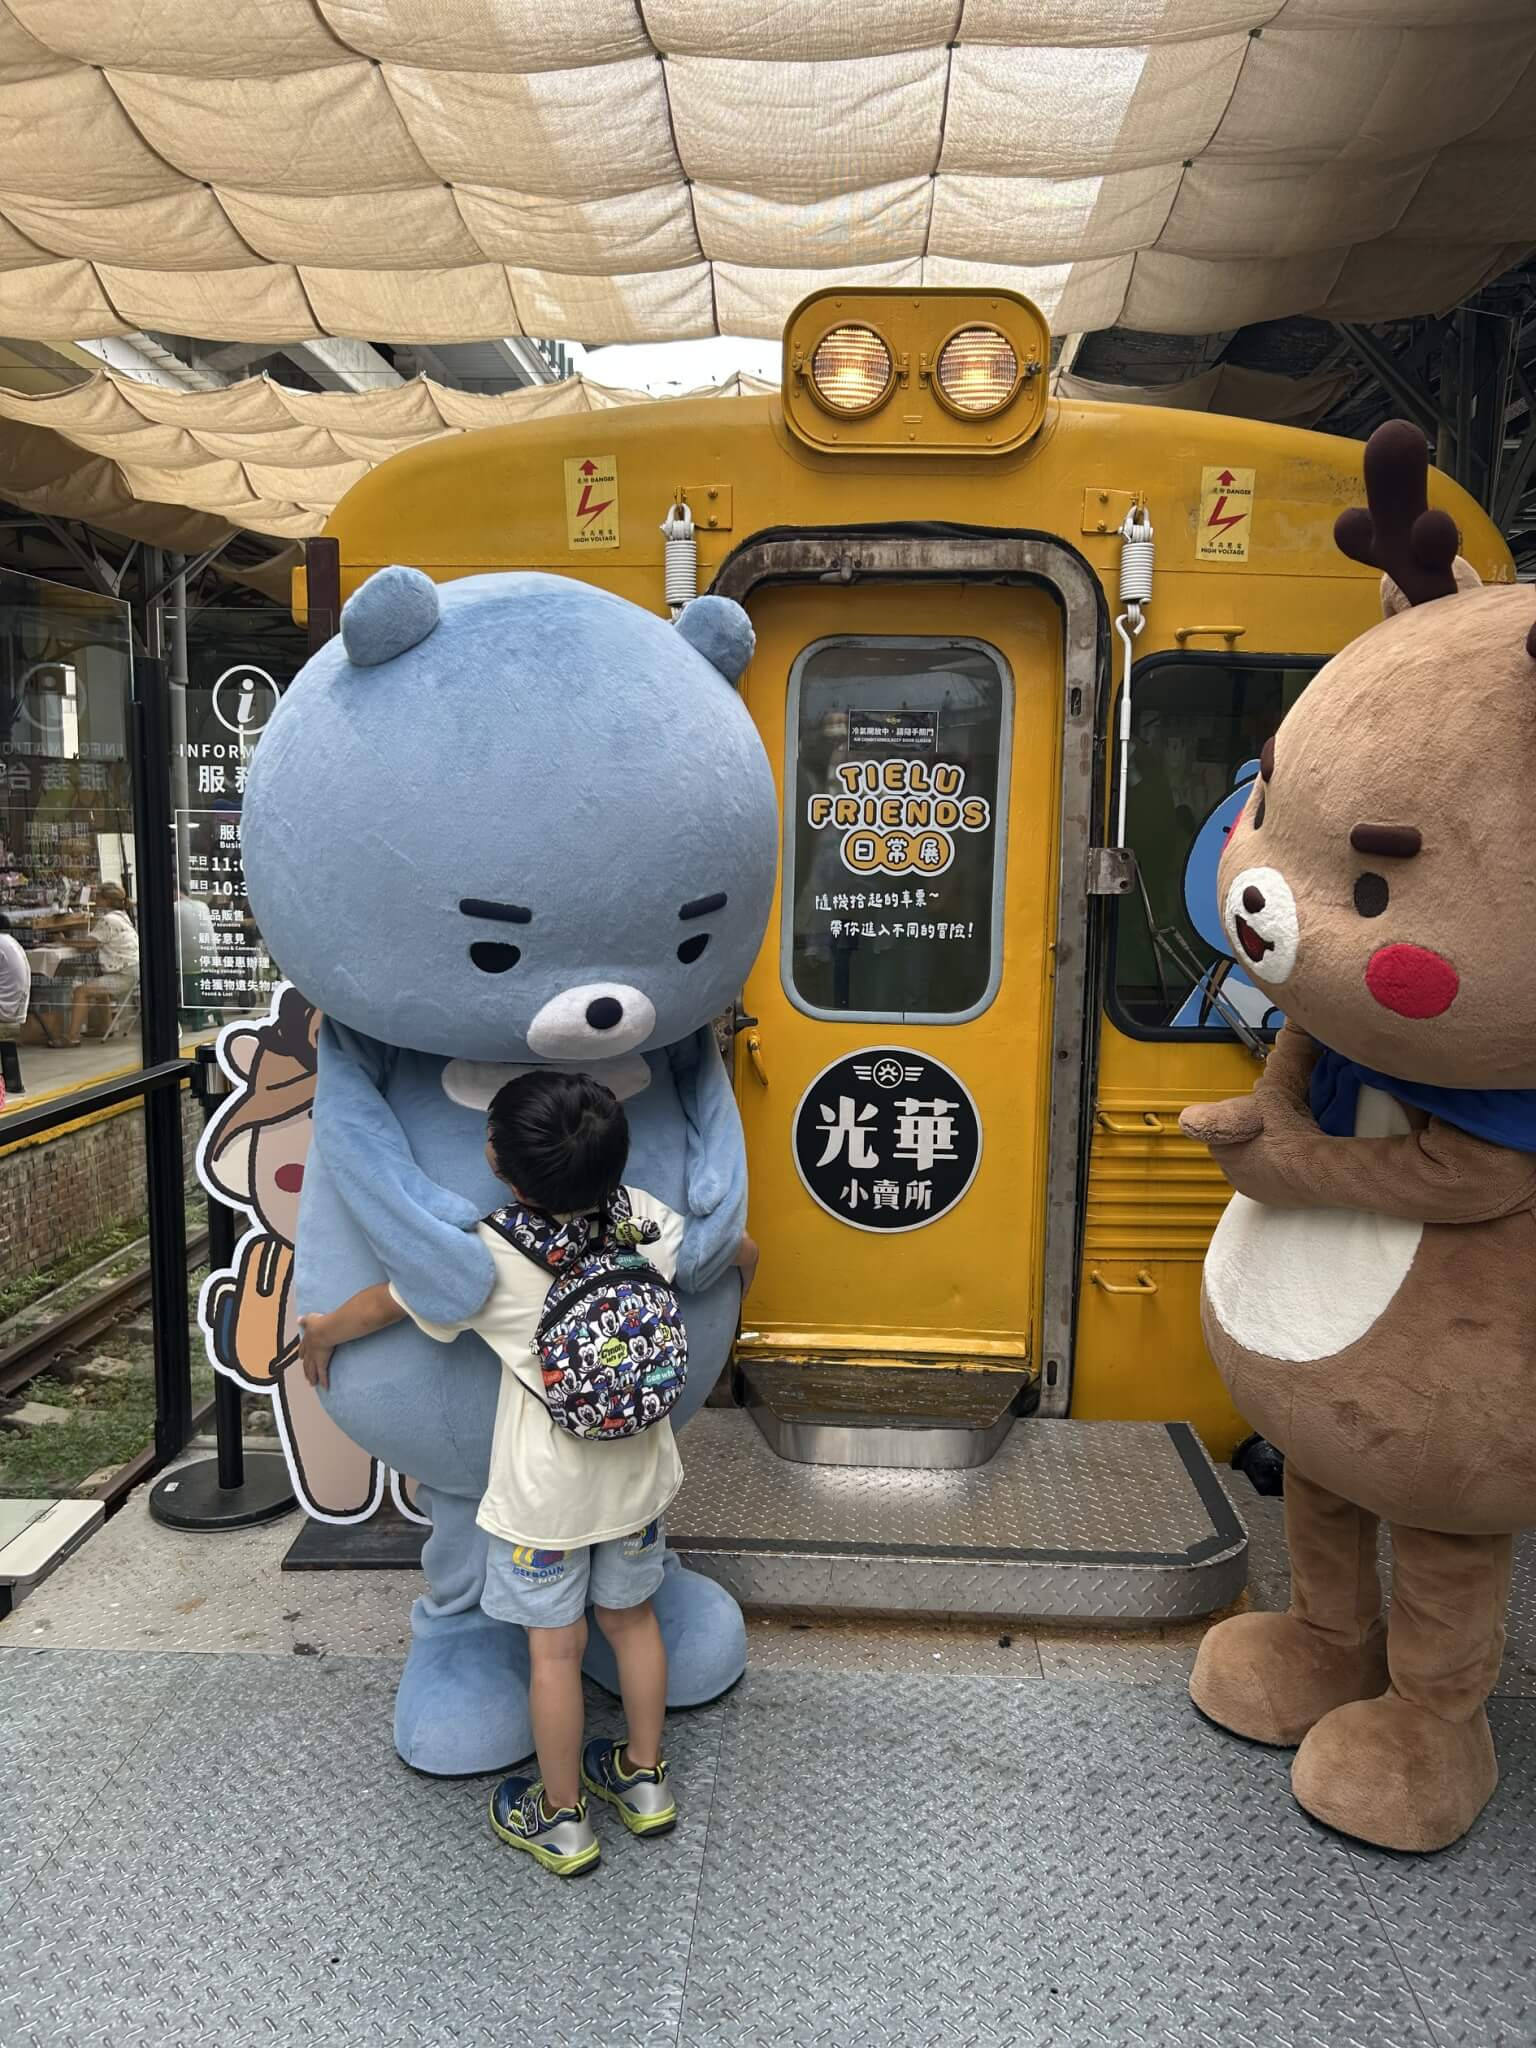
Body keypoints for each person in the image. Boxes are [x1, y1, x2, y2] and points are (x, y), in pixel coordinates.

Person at [299, 1070, 758, 1879]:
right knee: (632, 1623)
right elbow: (736, 1251)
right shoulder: (639, 1215)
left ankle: (562, 1817)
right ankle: (645, 1780)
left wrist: (322, 1333)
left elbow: (385, 1304)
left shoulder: (491, 1254)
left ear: (495, 1162)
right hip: (639, 1481)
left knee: (554, 1653)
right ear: (617, 1157)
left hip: (545, 1506)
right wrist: (740, 1290)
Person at [63, 881, 139, 1045]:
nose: (95, 899)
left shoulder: (108, 920)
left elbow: (87, 944)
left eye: (98, 896)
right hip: (132, 972)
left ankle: (72, 1037)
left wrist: (63, 941)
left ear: (106, 900)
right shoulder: (122, 916)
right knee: (98, 985)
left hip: (124, 975)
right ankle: (104, 1027)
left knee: (81, 991)